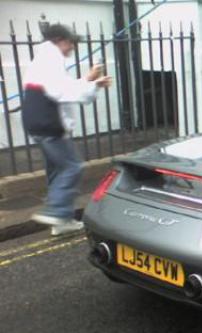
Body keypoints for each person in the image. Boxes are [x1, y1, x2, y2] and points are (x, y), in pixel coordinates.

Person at [22, 23, 112, 235]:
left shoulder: (44, 58)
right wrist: (94, 85)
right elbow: (62, 93)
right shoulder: (50, 59)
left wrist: (90, 80)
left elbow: (61, 87)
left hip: (36, 122)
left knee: (57, 170)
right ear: (60, 40)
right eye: (70, 42)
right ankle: (57, 211)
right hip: (49, 123)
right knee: (73, 167)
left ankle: (61, 222)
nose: (72, 47)